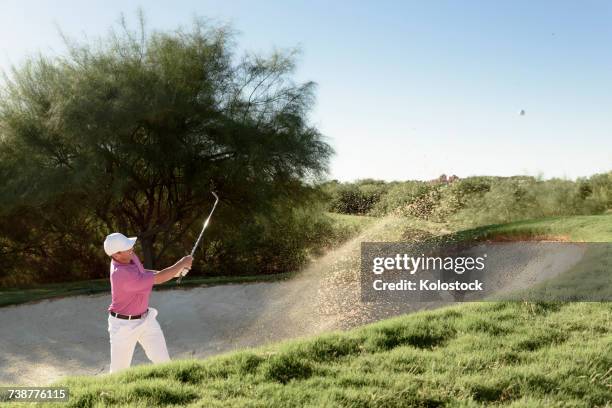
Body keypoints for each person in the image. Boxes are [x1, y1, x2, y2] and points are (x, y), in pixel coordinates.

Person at [103, 232, 193, 373]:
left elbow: (144, 273)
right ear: (116, 254)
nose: (131, 248)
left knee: (164, 363)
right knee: (118, 372)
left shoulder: (130, 257)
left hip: (146, 320)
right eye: (127, 247)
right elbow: (158, 279)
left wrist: (176, 273)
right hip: (123, 327)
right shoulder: (121, 275)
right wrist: (182, 263)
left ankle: (175, 388)